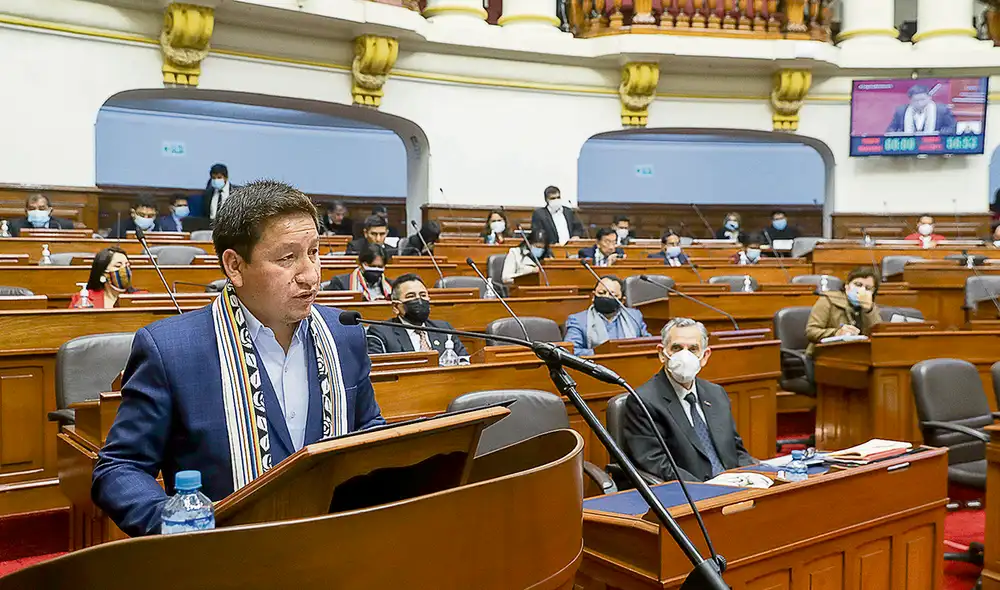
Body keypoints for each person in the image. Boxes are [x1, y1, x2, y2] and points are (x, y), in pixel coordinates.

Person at [92, 179, 385, 536]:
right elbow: (120, 467)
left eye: (314, 251)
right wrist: (177, 527)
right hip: (224, 560)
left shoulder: (344, 335)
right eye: (287, 257)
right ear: (234, 266)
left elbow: (369, 431)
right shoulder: (171, 350)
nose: (310, 274)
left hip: (334, 548)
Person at [622, 318, 757, 482]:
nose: (684, 356)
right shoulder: (643, 401)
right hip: (691, 495)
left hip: (734, 488)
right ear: (662, 354)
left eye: (693, 349)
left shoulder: (716, 393)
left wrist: (752, 476)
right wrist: (709, 488)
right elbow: (657, 464)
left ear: (705, 356)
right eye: (677, 348)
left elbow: (736, 450)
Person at [366, 273, 470, 359]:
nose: (419, 300)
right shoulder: (381, 333)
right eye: (411, 296)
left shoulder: (444, 328)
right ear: (396, 307)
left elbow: (464, 361)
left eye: (423, 295)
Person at [564, 276, 651, 356]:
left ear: (622, 300)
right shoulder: (578, 320)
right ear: (593, 296)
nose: (606, 297)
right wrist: (601, 352)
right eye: (602, 293)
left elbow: (648, 343)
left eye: (612, 295)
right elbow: (570, 351)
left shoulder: (634, 316)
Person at [805, 266, 881, 356]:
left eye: (868, 288)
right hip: (826, 354)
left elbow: (878, 336)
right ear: (847, 286)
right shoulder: (828, 300)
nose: (862, 291)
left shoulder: (871, 308)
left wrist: (869, 311)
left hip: (859, 355)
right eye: (858, 285)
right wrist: (836, 332)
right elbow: (811, 332)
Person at [68, 247, 145, 309]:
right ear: (103, 273)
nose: (125, 270)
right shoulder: (82, 298)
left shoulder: (141, 298)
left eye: (127, 266)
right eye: (118, 266)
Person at [325, 241, 393, 301]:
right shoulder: (341, 283)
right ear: (360, 264)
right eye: (372, 266)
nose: (375, 270)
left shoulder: (391, 286)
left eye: (380, 267)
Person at [886, 85, 958, 135]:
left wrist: (938, 133)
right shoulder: (901, 111)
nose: (920, 103)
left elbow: (952, 128)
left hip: (936, 147)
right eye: (916, 100)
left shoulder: (942, 110)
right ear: (910, 100)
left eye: (923, 99)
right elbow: (890, 130)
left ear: (929, 98)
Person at [7, 194, 75, 236]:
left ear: (50, 211)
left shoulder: (63, 226)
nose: (37, 212)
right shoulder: (14, 226)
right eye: (32, 209)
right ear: (26, 212)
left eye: (41, 209)